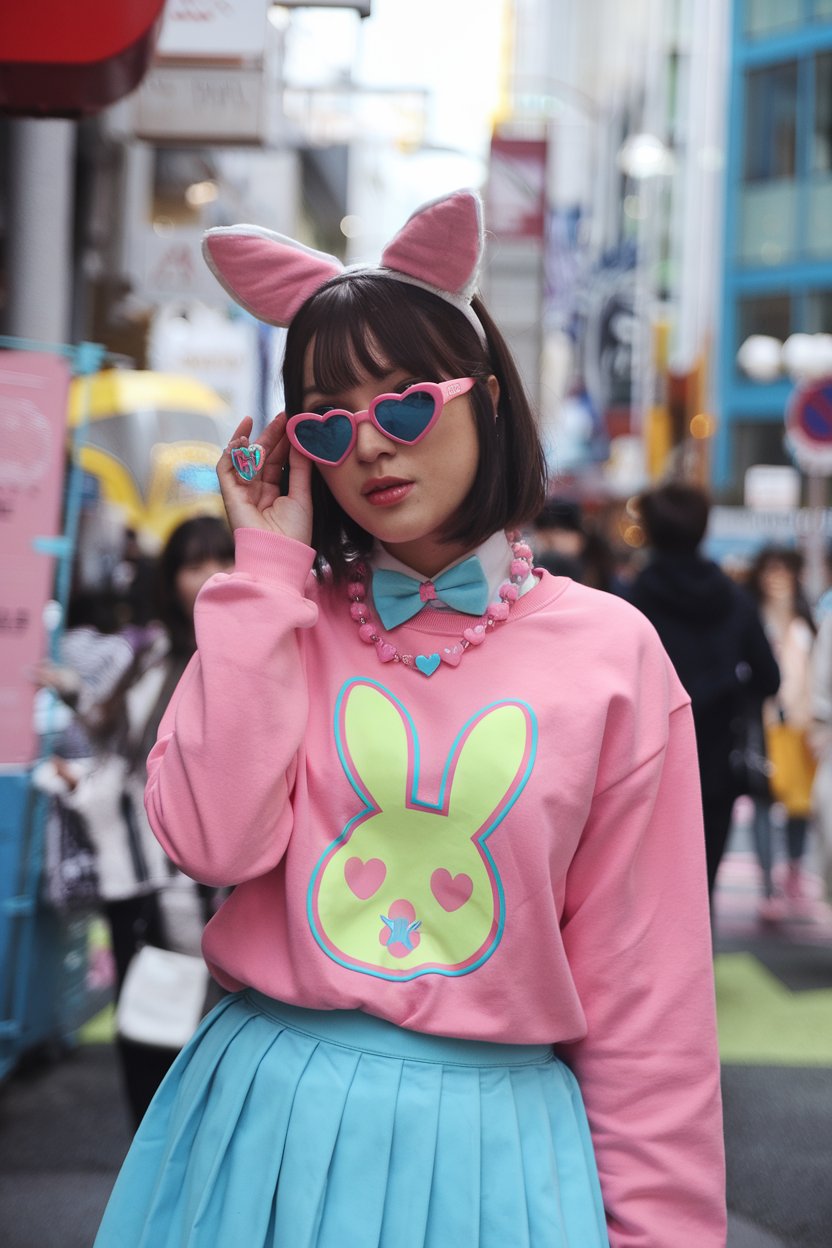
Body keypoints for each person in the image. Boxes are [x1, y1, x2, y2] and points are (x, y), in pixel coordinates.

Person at [94, 190, 725, 1247]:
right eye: (329, 418)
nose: (372, 446)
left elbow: (647, 1000)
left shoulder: (614, 654)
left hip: (497, 1159)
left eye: (404, 403)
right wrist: (263, 572)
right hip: (260, 1135)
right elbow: (207, 841)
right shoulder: (276, 620)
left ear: (483, 396)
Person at [46, 514, 235, 1127]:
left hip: (224, 869)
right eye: (193, 564)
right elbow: (117, 729)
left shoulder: (250, 650)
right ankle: (153, 1148)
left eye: (220, 559)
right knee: (148, 1019)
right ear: (170, 577)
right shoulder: (153, 650)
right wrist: (75, 695)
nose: (208, 576)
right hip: (142, 864)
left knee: (219, 1015)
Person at [626, 482, 780, 900]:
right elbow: (770, 678)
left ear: (651, 531)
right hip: (716, 762)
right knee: (700, 886)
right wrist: (726, 687)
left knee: (642, 888)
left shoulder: (628, 601)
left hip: (642, 762)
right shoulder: (735, 600)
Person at [746, 545, 817, 909]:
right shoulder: (753, 617)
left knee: (800, 804)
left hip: (803, 724)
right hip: (764, 722)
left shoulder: (808, 618)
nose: (777, 579)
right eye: (771, 572)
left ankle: (793, 871)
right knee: (763, 799)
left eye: (784, 571)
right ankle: (767, 885)